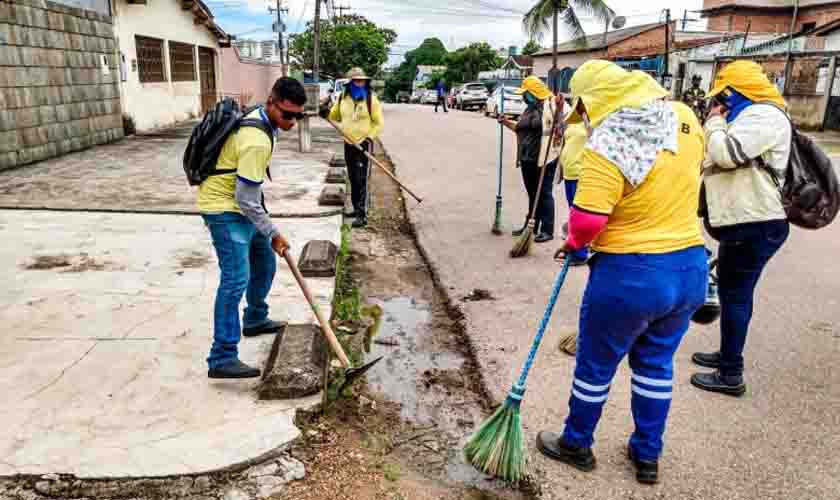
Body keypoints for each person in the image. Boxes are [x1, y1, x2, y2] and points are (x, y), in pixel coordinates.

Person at [535, 61, 707, 485]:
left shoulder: (609, 140)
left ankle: (576, 444)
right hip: (688, 266)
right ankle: (647, 454)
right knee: (655, 364)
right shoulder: (684, 117)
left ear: (596, 101)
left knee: (595, 365)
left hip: (632, 273)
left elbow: (589, 221)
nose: (585, 118)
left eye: (584, 108)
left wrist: (572, 240)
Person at [690, 61, 791, 397]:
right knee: (735, 293)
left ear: (735, 92)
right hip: (744, 224)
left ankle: (731, 374)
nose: (718, 102)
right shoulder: (748, 117)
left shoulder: (765, 116)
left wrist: (715, 121)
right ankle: (726, 355)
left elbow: (726, 153)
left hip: (756, 225)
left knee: (734, 297)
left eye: (722, 96)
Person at [198, 77, 306, 379]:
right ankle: (221, 357)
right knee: (235, 280)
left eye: (298, 115)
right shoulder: (257, 139)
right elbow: (245, 199)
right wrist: (273, 231)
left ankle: (255, 318)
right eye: (287, 114)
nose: (293, 122)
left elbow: (250, 194)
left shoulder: (263, 120)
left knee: (266, 263)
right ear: (271, 102)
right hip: (224, 209)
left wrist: (267, 230)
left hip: (243, 206)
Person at [498, 76, 561, 243]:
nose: (523, 97)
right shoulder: (528, 109)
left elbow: (557, 132)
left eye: (525, 93)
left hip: (544, 158)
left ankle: (547, 229)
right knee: (532, 193)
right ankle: (531, 225)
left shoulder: (550, 107)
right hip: (527, 158)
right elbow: (520, 129)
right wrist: (505, 122)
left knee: (544, 193)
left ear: (533, 93)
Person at [328, 67, 385, 228]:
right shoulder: (342, 99)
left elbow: (379, 123)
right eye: (357, 81)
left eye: (362, 81)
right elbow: (334, 116)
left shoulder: (370, 99)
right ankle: (355, 208)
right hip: (348, 144)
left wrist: (368, 139)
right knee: (352, 178)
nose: (360, 84)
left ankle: (362, 214)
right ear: (350, 83)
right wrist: (326, 109)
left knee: (361, 179)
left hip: (363, 145)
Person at [559, 121, 591, 265]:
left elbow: (594, 136)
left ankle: (580, 254)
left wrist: (586, 118)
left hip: (581, 173)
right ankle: (573, 248)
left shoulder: (591, 118)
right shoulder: (573, 119)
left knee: (579, 216)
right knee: (573, 214)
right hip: (568, 173)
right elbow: (563, 138)